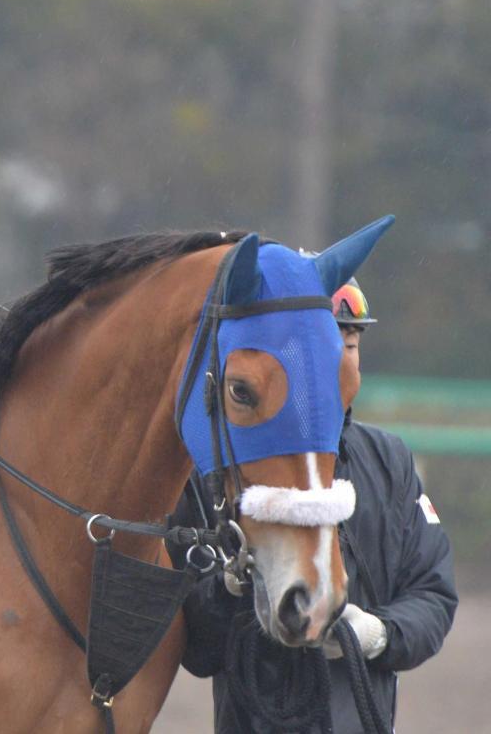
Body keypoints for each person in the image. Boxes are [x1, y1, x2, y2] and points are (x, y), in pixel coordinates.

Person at [175, 276, 458, 732]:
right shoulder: (221, 470)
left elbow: (434, 593)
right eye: (330, 345)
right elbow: (196, 646)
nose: (343, 358)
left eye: (351, 343)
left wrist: (377, 635)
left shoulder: (391, 461)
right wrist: (230, 590)